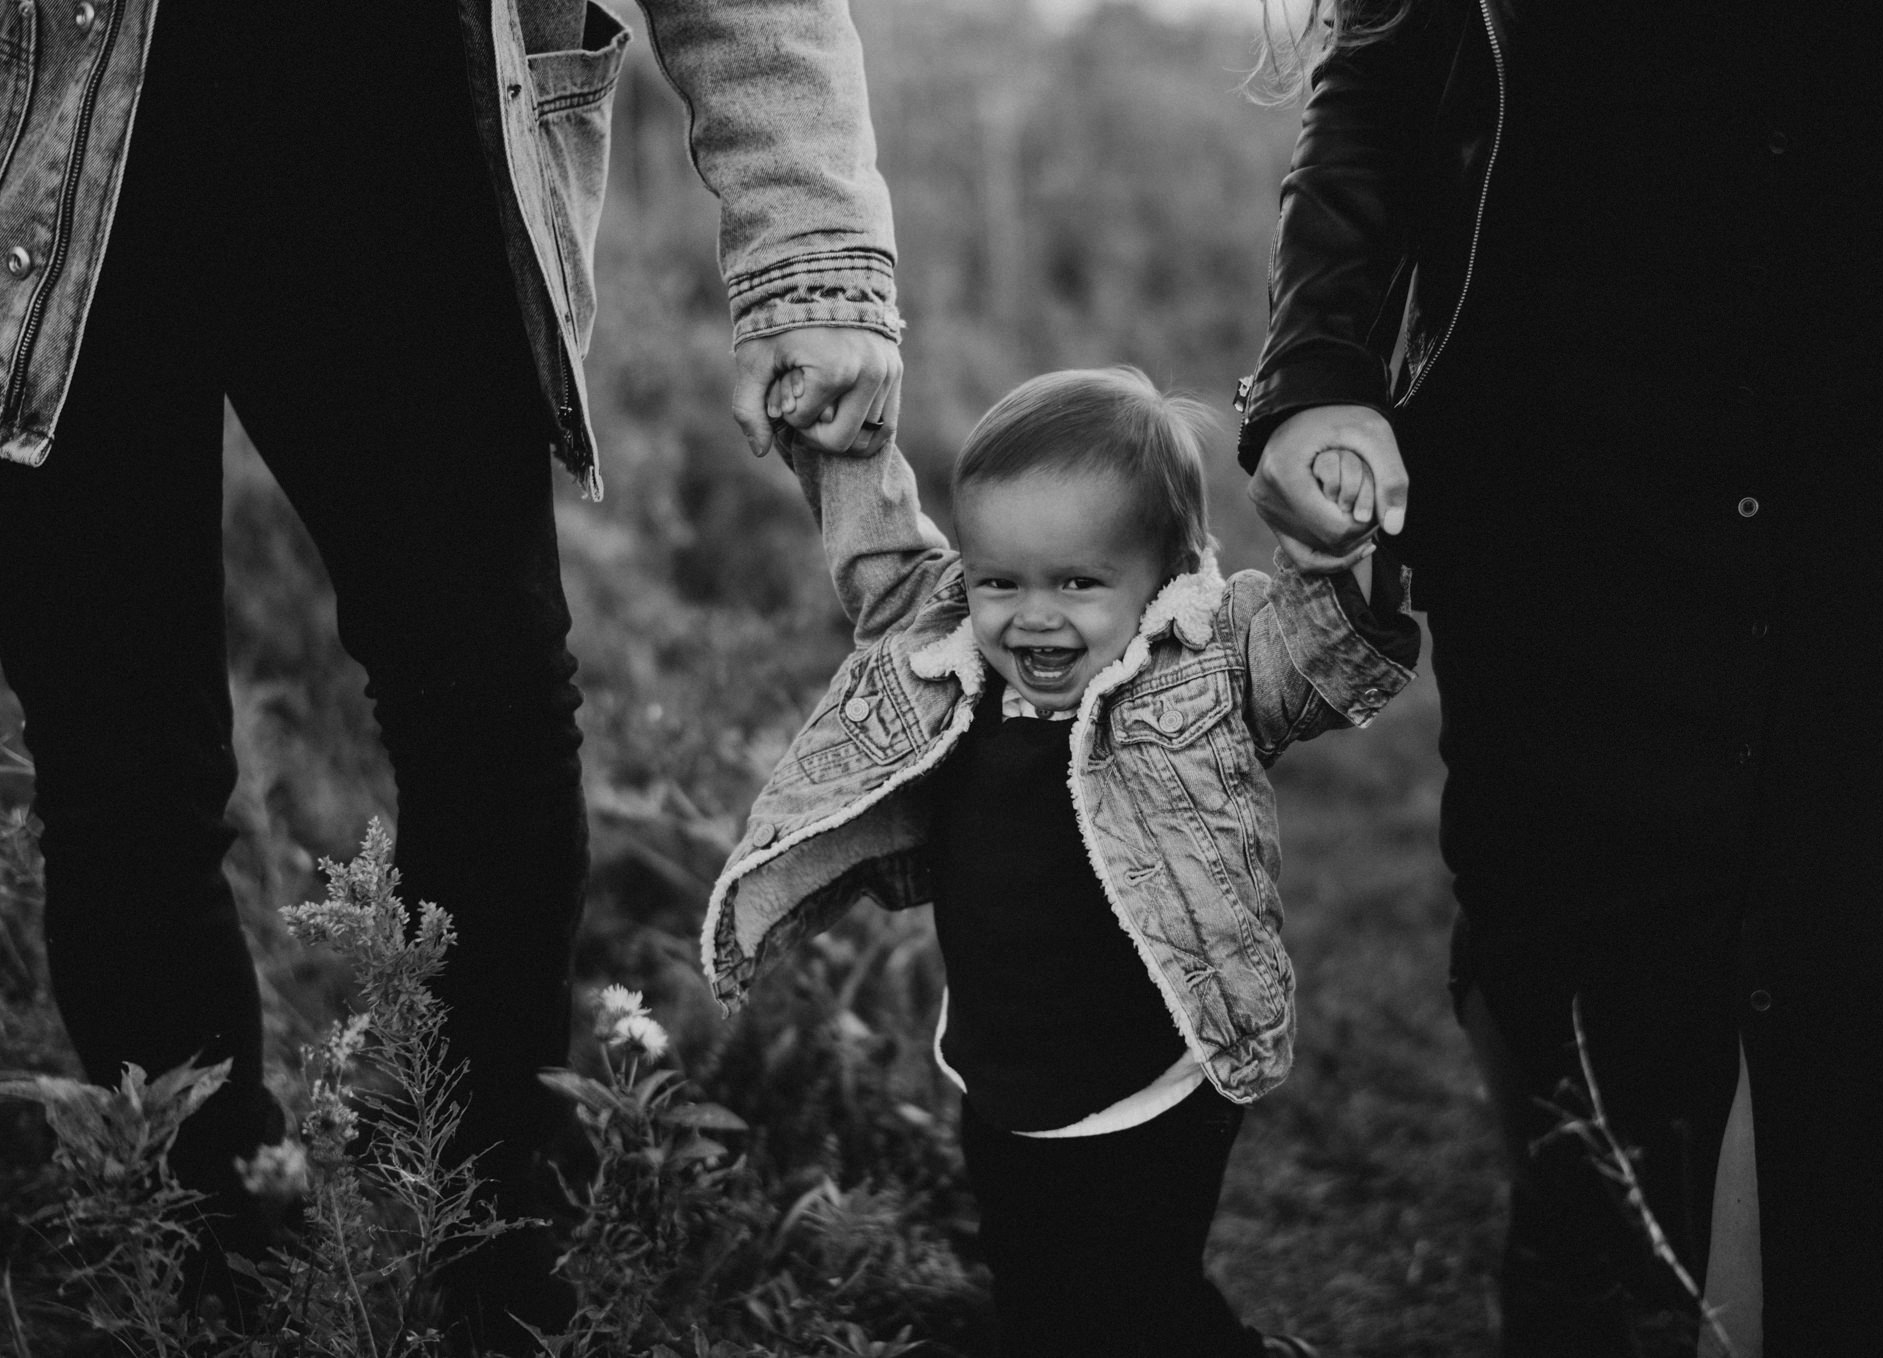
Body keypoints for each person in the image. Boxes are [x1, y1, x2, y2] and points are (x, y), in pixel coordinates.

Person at [0, 0, 900, 1349]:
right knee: (117, 761)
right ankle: (212, 1273)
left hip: (398, 126)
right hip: (51, 156)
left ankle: (491, 1262)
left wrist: (814, 264)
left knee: (491, 713)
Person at [1238, 1, 1883, 1354]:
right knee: (1581, 980)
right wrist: (1320, 367)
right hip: (1563, 447)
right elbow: (1383, 67)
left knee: (1843, 974)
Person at [702, 366, 1420, 1357]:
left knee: (1138, 1303)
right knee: (1037, 1294)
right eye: (1001, 579)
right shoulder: (946, 651)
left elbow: (1308, 656)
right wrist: (834, 437)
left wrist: (1342, 551)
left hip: (1158, 1080)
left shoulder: (1207, 662)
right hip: (1003, 1079)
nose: (1032, 615)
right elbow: (873, 544)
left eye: (1079, 582)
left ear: (1166, 575)